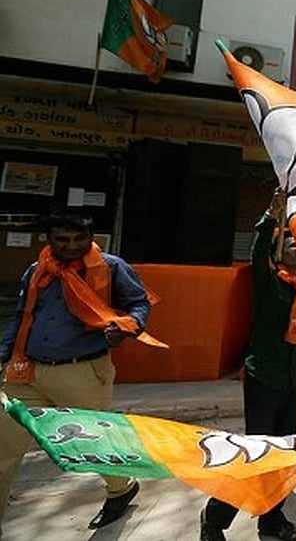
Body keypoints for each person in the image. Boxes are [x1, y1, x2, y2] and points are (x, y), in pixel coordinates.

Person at [0, 213, 151, 530]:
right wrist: (3, 355)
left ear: (90, 237)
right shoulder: (36, 271)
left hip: (82, 372)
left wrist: (125, 328)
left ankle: (121, 489)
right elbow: (20, 316)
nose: (71, 246)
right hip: (26, 372)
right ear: (48, 239)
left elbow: (139, 304)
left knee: (94, 444)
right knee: (4, 448)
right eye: (62, 239)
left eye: (79, 239)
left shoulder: (110, 268)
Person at [200, 191, 296, 541]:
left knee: (281, 456)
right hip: (263, 380)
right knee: (256, 455)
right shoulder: (270, 284)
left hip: (292, 384)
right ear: (279, 251)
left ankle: (271, 521)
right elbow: (257, 249)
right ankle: (214, 518)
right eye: (291, 243)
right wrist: (271, 215)